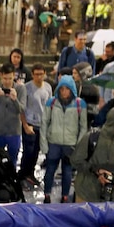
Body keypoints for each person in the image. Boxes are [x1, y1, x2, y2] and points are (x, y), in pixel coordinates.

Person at [71, 107, 114, 202]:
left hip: (110, 197)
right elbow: (76, 161)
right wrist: (96, 171)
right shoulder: (92, 138)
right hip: (86, 194)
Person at [40, 75, 87, 203]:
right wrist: (44, 144)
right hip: (53, 142)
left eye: (67, 89)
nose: (64, 91)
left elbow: (83, 127)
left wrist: (78, 146)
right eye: (62, 89)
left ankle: (65, 196)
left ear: (72, 89)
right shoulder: (51, 102)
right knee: (50, 170)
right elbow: (44, 123)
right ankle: (47, 194)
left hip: (70, 144)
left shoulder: (80, 104)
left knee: (67, 172)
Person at [0, 63, 27, 173]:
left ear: (14, 76)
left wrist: (15, 99)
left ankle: (11, 181)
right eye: (4, 78)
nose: (7, 81)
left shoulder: (21, 89)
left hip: (14, 132)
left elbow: (22, 110)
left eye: (10, 78)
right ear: (1, 76)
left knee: (12, 159)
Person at [20, 63, 53, 185]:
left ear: (45, 74)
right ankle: (23, 174)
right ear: (32, 75)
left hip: (43, 124)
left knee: (36, 151)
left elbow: (50, 105)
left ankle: (30, 173)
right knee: (28, 151)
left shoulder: (48, 87)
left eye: (41, 74)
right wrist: (25, 125)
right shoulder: (26, 88)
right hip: (30, 123)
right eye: (36, 74)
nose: (39, 77)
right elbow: (22, 108)